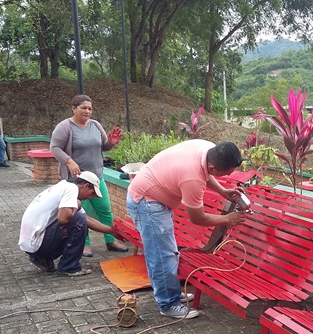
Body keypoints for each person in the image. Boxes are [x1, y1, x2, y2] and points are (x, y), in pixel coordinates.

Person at [127, 140, 247, 319]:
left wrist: (223, 191)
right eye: (228, 172)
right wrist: (228, 219)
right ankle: (168, 303)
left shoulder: (207, 149)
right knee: (162, 255)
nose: (231, 174)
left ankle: (170, 292)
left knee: (168, 252)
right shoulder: (192, 177)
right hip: (147, 202)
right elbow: (197, 218)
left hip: (152, 196)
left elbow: (208, 174)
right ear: (213, 167)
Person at [50, 94, 128, 257]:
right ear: (74, 108)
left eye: (90, 108)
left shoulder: (95, 125)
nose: (87, 111)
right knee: (79, 213)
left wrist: (111, 144)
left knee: (105, 210)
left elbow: (104, 146)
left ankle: (110, 240)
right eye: (83, 108)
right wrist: (69, 161)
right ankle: (84, 244)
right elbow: (55, 148)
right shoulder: (65, 127)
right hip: (76, 181)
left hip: (97, 177)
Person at [18, 171, 121, 276]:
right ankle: (69, 267)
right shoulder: (71, 190)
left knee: (81, 219)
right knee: (79, 221)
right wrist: (77, 206)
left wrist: (112, 231)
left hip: (31, 244)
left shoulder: (65, 187)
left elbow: (88, 219)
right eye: (92, 193)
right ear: (85, 186)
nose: (90, 198)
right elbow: (63, 219)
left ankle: (43, 259)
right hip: (36, 243)